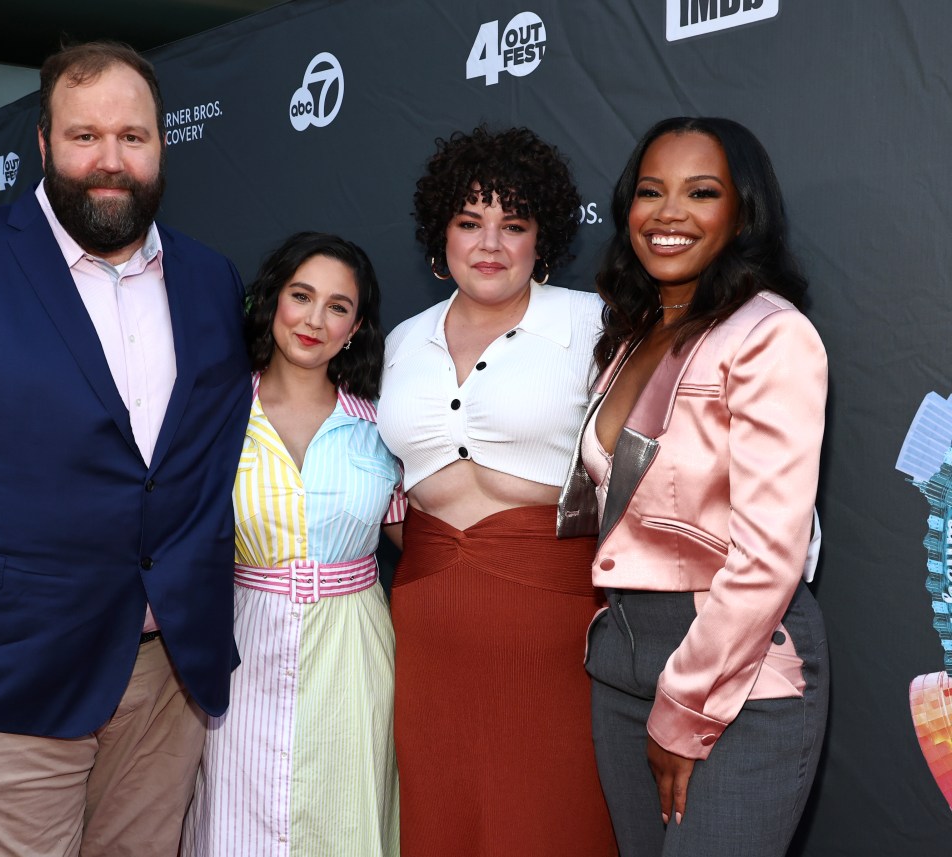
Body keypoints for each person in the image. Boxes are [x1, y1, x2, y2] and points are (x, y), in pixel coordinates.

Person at [0, 41, 251, 857]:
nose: (110, 160)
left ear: (162, 145)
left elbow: (207, 457)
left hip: (165, 672)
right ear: (43, 144)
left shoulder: (209, 278)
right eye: (84, 136)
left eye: (132, 137)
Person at [557, 116, 829, 857]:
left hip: (737, 676)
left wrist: (685, 706)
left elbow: (769, 553)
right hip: (621, 665)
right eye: (651, 191)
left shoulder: (770, 335)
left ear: (742, 210)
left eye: (700, 192)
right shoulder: (630, 333)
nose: (669, 213)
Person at [376, 127, 616, 856]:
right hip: (426, 626)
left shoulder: (593, 324)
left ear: (542, 236)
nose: (490, 244)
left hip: (553, 624)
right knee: (437, 818)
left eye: (514, 225)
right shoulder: (399, 342)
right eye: (469, 222)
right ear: (439, 231)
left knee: (548, 821)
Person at [182, 231, 404, 857]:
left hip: (355, 649)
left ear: (356, 327)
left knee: (344, 810)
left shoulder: (381, 428)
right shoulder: (216, 416)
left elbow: (422, 539)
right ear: (270, 301)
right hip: (241, 640)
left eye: (338, 306)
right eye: (300, 295)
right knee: (237, 811)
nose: (314, 319)